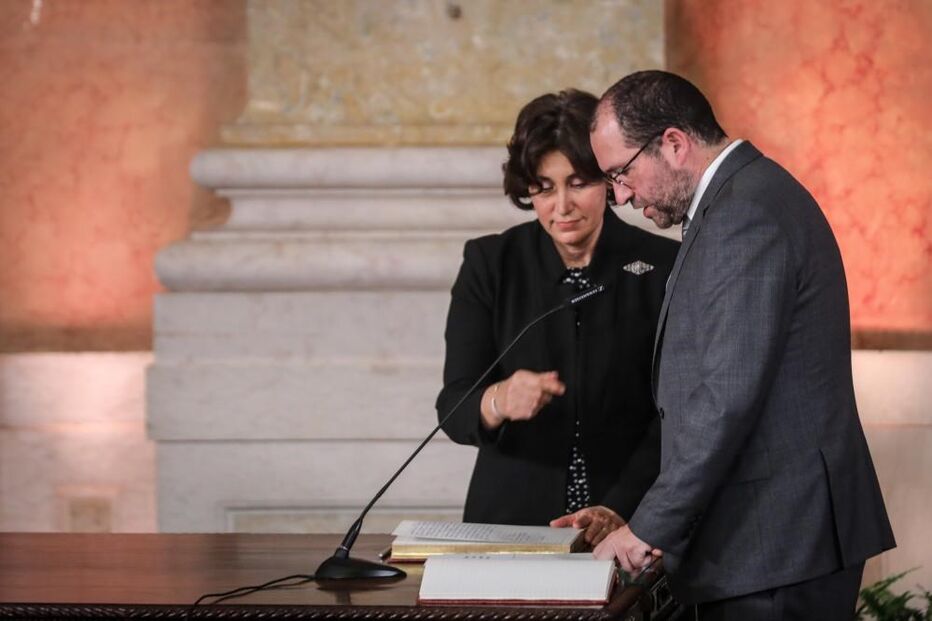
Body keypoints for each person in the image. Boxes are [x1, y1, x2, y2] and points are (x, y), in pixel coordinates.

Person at [589, 70, 895, 619]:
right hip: (768, 544)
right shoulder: (737, 200)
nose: (620, 195)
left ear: (674, 143)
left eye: (621, 174)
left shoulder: (744, 212)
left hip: (776, 545)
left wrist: (647, 529)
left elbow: (725, 398)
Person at [436, 89, 679, 546]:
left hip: (633, 525)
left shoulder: (665, 266)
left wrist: (620, 508)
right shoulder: (491, 264)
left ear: (608, 180)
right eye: (543, 188)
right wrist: (499, 400)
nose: (561, 206)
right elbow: (453, 406)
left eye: (578, 183)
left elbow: (677, 414)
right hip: (511, 526)